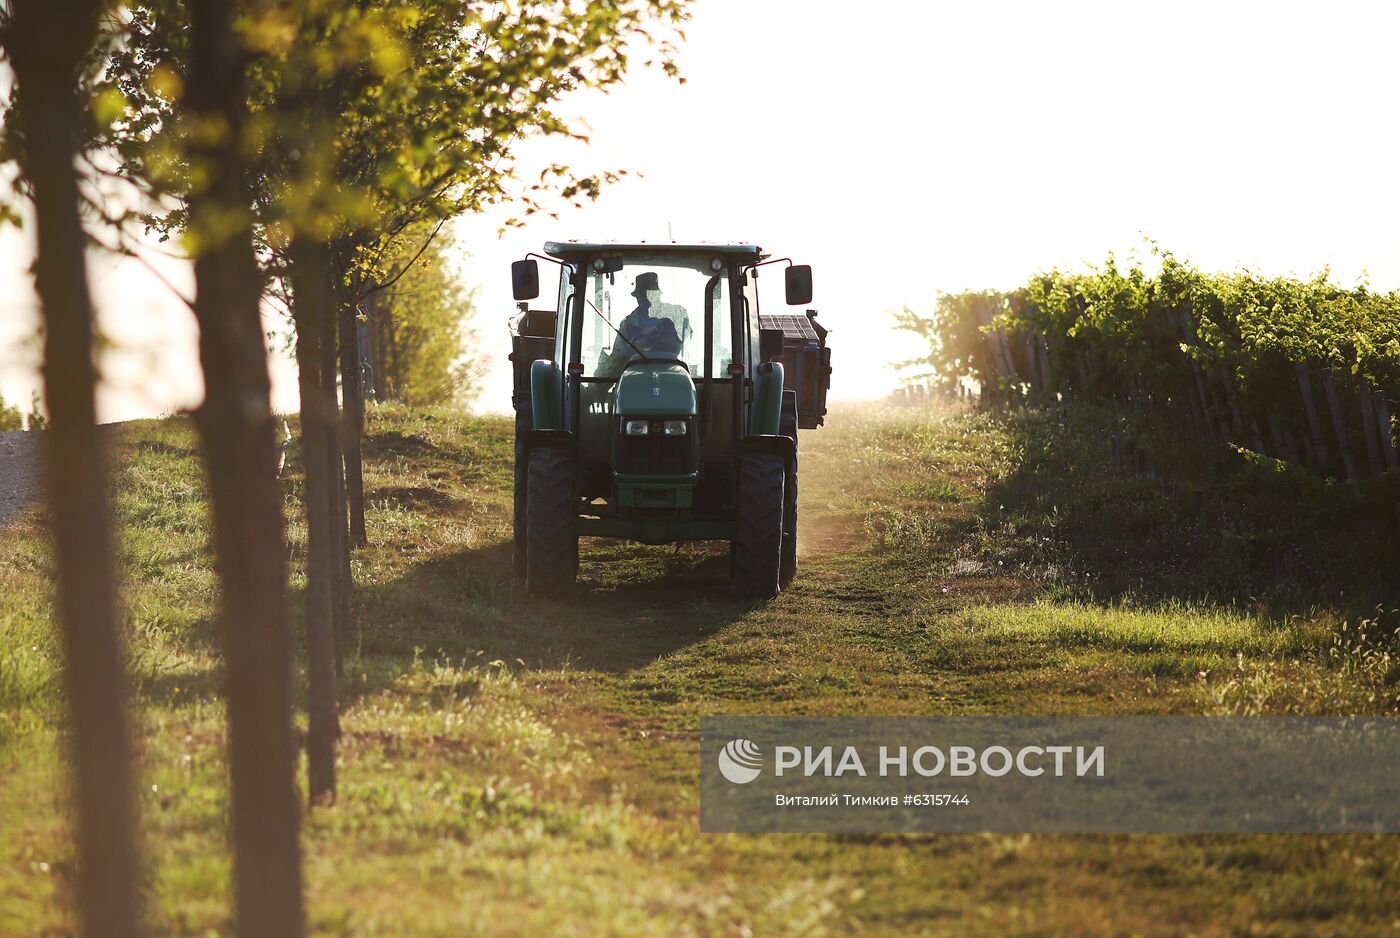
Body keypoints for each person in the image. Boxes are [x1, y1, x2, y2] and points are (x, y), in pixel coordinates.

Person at [598, 271, 690, 374]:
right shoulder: (627, 324)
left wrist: (657, 337)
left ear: (658, 295)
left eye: (650, 295)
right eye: (642, 295)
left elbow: (684, 337)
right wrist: (634, 346)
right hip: (636, 374)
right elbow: (618, 355)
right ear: (637, 297)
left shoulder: (676, 315)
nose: (647, 299)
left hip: (672, 372)